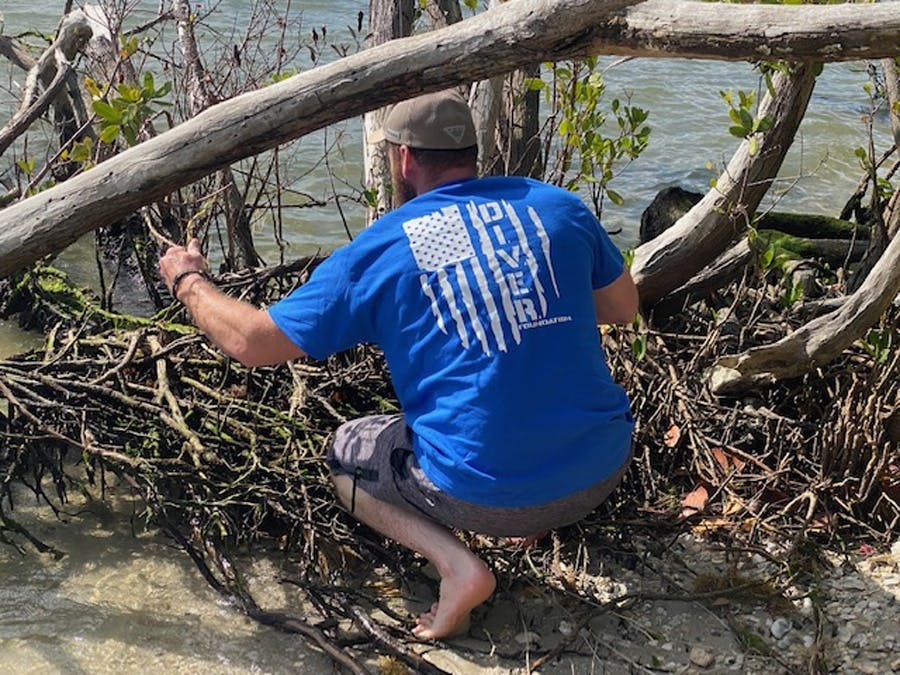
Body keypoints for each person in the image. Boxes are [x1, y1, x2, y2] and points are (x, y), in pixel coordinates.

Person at [159, 89, 638, 641]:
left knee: (347, 452)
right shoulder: (560, 208)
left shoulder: (383, 249)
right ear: (472, 152)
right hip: (601, 470)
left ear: (404, 159)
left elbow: (250, 342)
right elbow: (622, 308)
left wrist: (187, 280)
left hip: (482, 498)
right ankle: (523, 517)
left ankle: (459, 566)